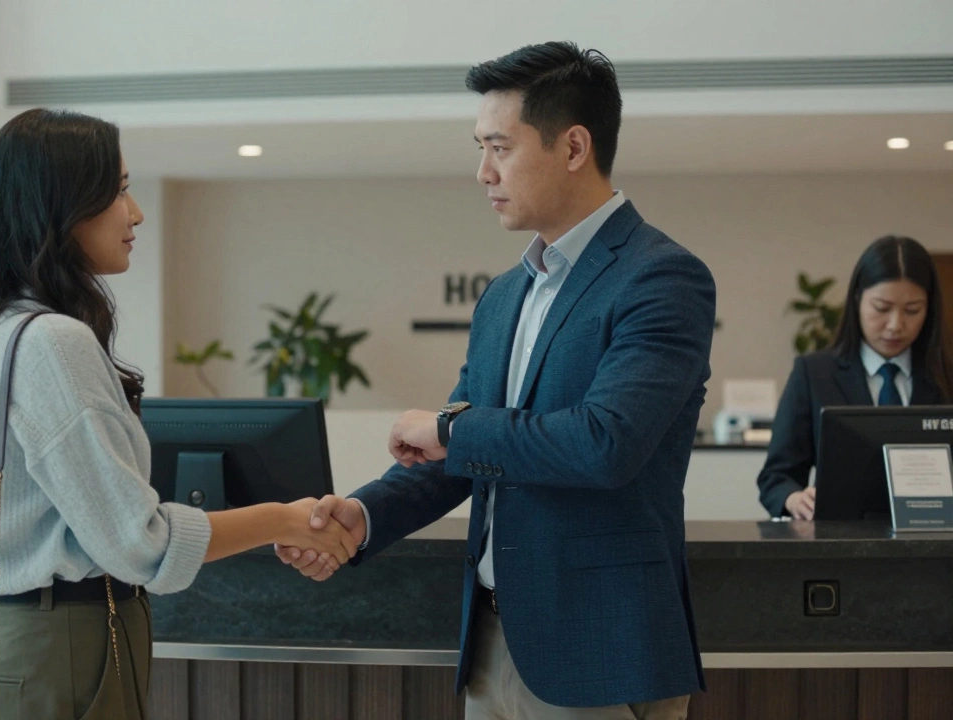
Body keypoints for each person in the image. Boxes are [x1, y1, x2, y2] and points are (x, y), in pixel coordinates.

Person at [278, 42, 715, 719]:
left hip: (599, 653)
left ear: (574, 147)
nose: (483, 172)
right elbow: (467, 457)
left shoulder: (662, 278)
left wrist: (451, 427)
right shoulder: (505, 295)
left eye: (500, 148)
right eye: (479, 148)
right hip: (490, 641)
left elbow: (605, 445)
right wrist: (361, 518)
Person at [0, 108, 357, 720]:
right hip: (61, 652)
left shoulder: (3, 328)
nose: (136, 213)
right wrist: (280, 519)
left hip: (43, 647)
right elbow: (141, 543)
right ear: (63, 204)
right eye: (121, 190)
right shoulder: (52, 341)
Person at [757, 235, 953, 520]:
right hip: (840, 547)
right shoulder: (814, 374)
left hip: (936, 548)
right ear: (858, 299)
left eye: (913, 310)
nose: (896, 325)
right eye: (882, 308)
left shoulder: (946, 375)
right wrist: (794, 498)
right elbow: (776, 476)